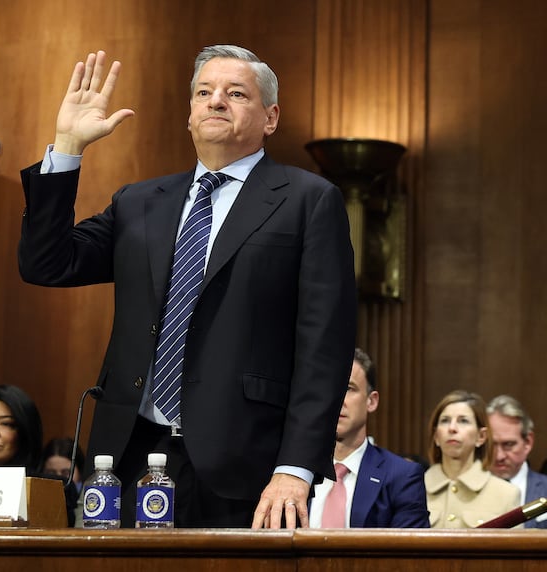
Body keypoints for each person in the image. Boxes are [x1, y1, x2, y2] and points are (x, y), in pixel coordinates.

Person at [18, 45, 356, 528]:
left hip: (249, 465)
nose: (215, 101)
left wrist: (295, 468)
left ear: (271, 117)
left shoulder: (308, 201)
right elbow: (47, 263)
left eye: (235, 93)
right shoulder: (140, 202)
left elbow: (326, 346)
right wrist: (68, 147)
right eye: (203, 92)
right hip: (129, 456)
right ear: (190, 114)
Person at [309, 348, 429, 528]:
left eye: (348, 388)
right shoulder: (294, 472)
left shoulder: (402, 476)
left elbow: (410, 546)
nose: (336, 399)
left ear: (371, 401)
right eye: (328, 389)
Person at [424, 390, 520, 528]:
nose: (452, 428)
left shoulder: (506, 494)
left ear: (481, 436)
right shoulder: (412, 489)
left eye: (463, 421)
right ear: (436, 437)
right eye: (445, 421)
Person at [486, 394, 547, 528]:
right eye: (491, 445)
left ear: (528, 442)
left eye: (508, 444)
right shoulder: (467, 493)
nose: (499, 456)